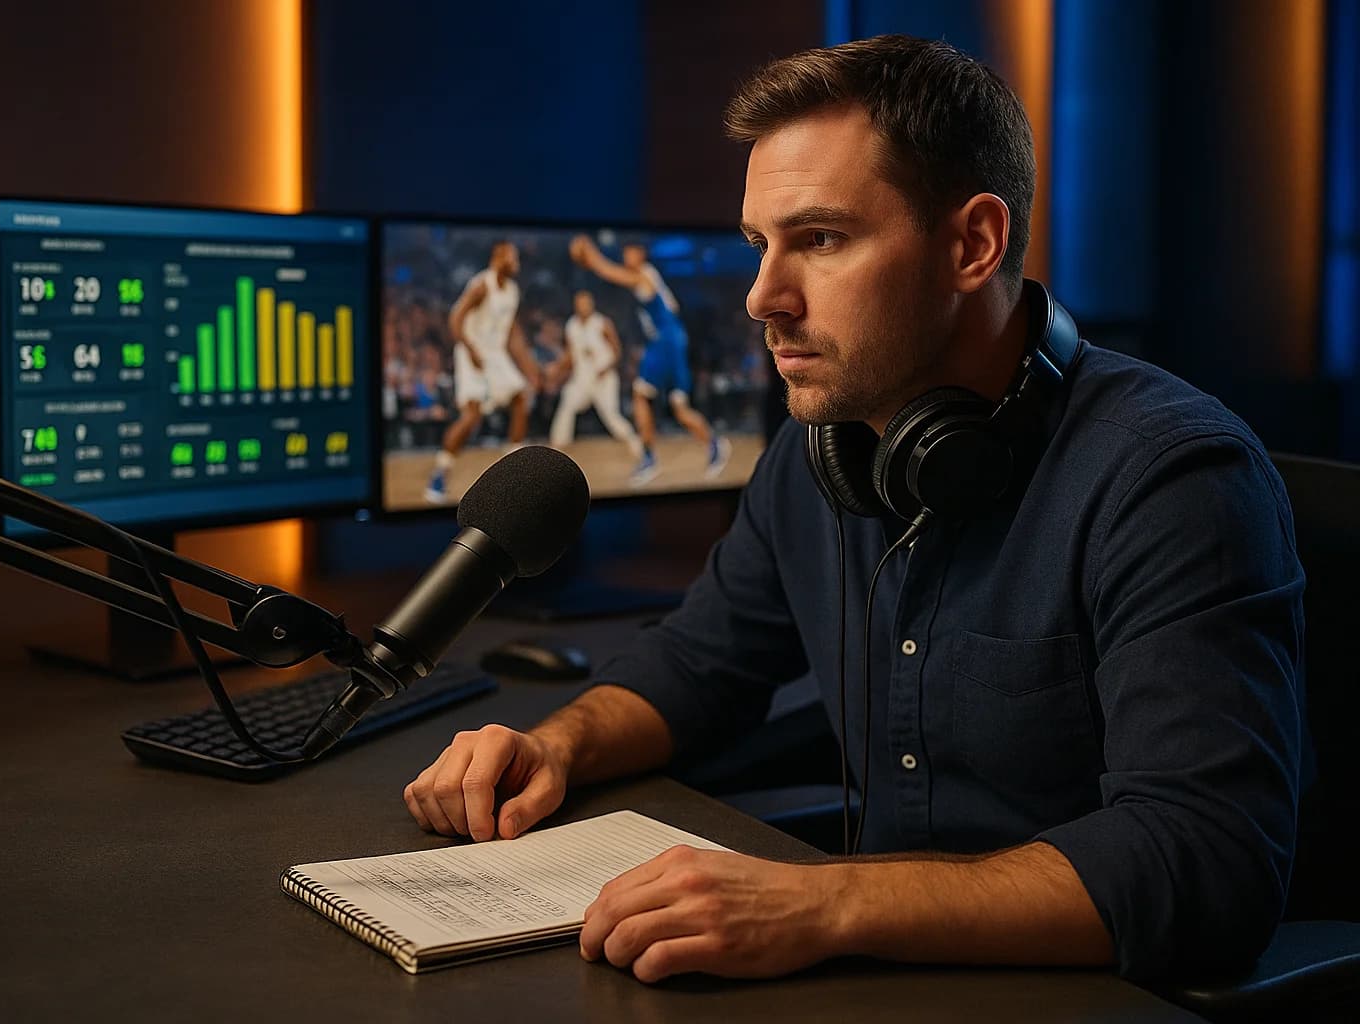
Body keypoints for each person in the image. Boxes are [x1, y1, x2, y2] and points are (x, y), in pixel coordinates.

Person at [402, 35, 1304, 986]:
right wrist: (554, 744)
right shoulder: (823, 447)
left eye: (820, 239)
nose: (762, 297)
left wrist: (824, 901)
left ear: (972, 244)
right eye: (760, 245)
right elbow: (700, 663)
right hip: (871, 976)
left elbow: (1207, 867)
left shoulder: (1169, 475)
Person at [569, 234, 731, 485]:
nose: (626, 257)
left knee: (640, 395)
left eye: (630, 251)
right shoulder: (652, 276)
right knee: (680, 408)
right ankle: (715, 445)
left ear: (641, 254)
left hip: (665, 341)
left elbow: (610, 272)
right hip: (674, 339)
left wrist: (590, 255)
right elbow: (670, 307)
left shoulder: (642, 275)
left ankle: (648, 459)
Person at [424, 240, 536, 504]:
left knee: (521, 397)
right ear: (498, 258)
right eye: (512, 256)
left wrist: (528, 364)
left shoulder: (512, 290)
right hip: (471, 350)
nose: (516, 261)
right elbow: (456, 317)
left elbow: (513, 331)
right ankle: (440, 473)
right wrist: (470, 349)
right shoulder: (481, 285)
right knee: (471, 416)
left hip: (495, 354)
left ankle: (512, 470)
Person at [548, 289, 643, 458]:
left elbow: (617, 351)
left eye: (586, 303)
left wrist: (605, 368)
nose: (583, 307)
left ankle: (634, 442)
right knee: (568, 404)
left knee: (611, 415)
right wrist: (557, 368)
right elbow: (571, 354)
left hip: (603, 377)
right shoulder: (572, 325)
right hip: (582, 377)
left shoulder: (602, 323)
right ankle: (557, 447)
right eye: (580, 304)